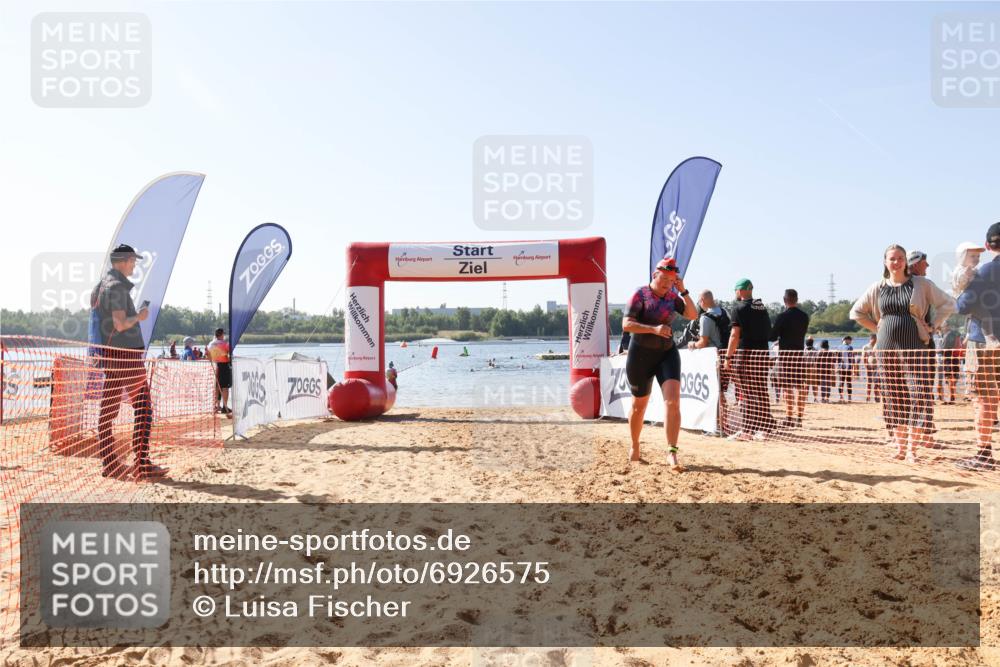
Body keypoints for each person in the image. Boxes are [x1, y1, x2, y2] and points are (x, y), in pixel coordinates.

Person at [850, 244, 955, 462]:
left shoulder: (921, 284)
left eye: (900, 258)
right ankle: (899, 446)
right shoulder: (877, 287)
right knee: (893, 394)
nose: (896, 262)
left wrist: (934, 325)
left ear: (906, 261)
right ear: (885, 262)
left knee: (919, 393)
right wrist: (875, 327)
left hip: (915, 345)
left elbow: (948, 304)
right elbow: (856, 312)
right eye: (892, 258)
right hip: (886, 347)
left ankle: (912, 450)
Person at [90, 244, 167, 480]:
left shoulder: (101, 286)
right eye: (133, 261)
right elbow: (121, 323)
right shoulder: (117, 287)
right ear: (122, 261)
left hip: (111, 355)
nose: (134, 265)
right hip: (127, 356)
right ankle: (141, 463)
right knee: (144, 407)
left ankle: (110, 463)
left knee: (107, 411)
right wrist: (141, 316)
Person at [622, 256, 698, 469]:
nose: (666, 284)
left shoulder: (673, 297)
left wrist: (683, 291)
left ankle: (672, 452)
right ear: (655, 275)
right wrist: (653, 329)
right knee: (639, 407)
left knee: (673, 402)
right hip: (640, 356)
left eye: (671, 280)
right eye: (663, 279)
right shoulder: (641, 295)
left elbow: (693, 315)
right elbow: (626, 324)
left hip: (666, 353)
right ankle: (635, 444)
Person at [955, 222, 1000, 471]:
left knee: (983, 399)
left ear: (987, 245)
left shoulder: (984, 272)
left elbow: (962, 307)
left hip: (983, 342)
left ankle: (984, 454)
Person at [724, 278, 776, 439]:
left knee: (747, 392)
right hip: (762, 353)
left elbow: (734, 335)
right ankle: (765, 428)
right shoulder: (762, 307)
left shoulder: (738, 308)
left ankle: (747, 430)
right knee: (761, 390)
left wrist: (728, 357)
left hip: (746, 354)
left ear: (739, 291)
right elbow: (769, 332)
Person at [907, 250, 946, 448]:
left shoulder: (902, 284)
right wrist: (933, 326)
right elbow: (948, 303)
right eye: (925, 263)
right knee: (922, 389)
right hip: (921, 343)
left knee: (913, 390)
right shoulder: (920, 284)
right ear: (915, 264)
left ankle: (916, 436)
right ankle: (925, 437)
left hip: (909, 342)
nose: (928, 266)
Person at [768, 288, 810, 427]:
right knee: (801, 387)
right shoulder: (804, 316)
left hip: (786, 356)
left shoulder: (782, 316)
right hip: (799, 354)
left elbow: (772, 336)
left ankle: (789, 417)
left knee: (787, 388)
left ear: (785, 300)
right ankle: (799, 418)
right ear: (796, 300)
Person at [206, 328, 233, 416]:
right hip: (224, 366)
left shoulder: (211, 344)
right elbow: (230, 354)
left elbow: (208, 355)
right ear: (221, 335)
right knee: (225, 387)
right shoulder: (225, 344)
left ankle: (216, 406)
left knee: (217, 387)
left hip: (215, 365)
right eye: (223, 334)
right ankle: (225, 407)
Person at [861, 335, 881, 403]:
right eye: (874, 339)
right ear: (871, 339)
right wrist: (866, 367)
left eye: (876, 339)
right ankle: (868, 397)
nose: (876, 341)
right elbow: (864, 357)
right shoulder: (866, 347)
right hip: (869, 367)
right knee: (869, 383)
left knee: (877, 382)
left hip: (877, 367)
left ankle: (877, 397)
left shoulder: (878, 346)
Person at [837, 335, 856, 402]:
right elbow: (852, 358)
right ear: (847, 340)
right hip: (848, 367)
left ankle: (841, 397)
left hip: (841, 367)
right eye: (850, 340)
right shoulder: (850, 347)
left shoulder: (838, 347)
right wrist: (854, 368)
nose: (851, 341)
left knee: (841, 382)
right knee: (848, 382)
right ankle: (849, 397)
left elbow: (837, 358)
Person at [803, 337, 820, 402]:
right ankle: (815, 398)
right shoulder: (815, 350)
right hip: (813, 368)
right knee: (814, 384)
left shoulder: (804, 349)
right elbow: (817, 358)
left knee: (806, 384)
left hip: (806, 368)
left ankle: (806, 398)